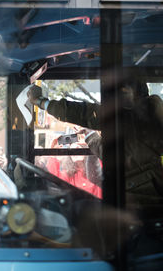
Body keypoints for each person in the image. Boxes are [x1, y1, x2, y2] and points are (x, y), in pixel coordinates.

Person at [27, 81, 163, 216]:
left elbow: (83, 113)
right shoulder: (147, 118)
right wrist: (90, 136)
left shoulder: (137, 115)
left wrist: (40, 101)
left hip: (141, 202)